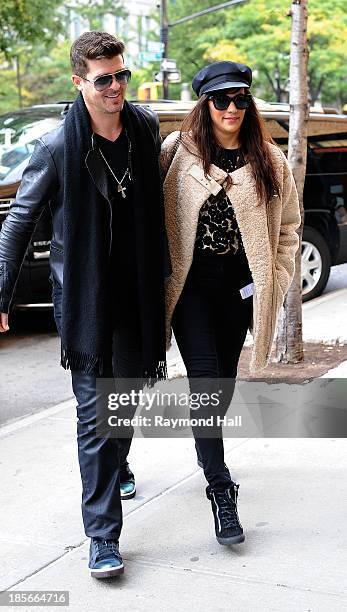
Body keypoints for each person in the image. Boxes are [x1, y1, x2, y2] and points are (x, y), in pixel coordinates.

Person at [0, 31, 169, 578]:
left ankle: (116, 465)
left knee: (128, 400)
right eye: (104, 79)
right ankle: (102, 535)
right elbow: (18, 223)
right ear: (80, 82)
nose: (117, 86)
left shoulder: (144, 127)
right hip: (88, 303)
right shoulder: (55, 148)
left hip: (139, 297)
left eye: (122, 74)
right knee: (97, 417)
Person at [161, 61, 301, 546]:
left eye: (241, 99)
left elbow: (288, 228)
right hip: (191, 289)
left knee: (220, 385)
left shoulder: (269, 158)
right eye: (222, 100)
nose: (232, 109)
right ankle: (221, 489)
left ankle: (207, 454)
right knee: (203, 381)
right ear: (205, 104)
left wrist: (277, 279)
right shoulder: (176, 154)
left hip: (239, 290)